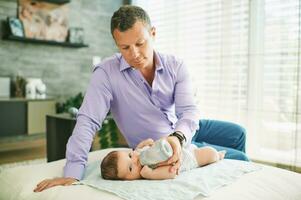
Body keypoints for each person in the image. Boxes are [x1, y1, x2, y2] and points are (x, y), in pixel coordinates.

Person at [34, 5, 248, 192]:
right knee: (239, 159)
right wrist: (73, 172)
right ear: (116, 44)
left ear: (153, 33)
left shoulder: (176, 65)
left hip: (184, 129)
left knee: (238, 133)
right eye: (125, 48)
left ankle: (234, 188)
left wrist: (179, 136)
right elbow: (88, 120)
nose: (134, 54)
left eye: (140, 43)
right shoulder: (106, 73)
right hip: (159, 145)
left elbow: (189, 112)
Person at [101, 138, 226, 180]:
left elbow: (149, 143)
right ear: (127, 180)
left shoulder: (138, 154)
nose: (134, 160)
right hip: (190, 158)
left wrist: (144, 144)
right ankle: (218, 156)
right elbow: (171, 174)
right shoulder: (147, 171)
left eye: (129, 155)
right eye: (130, 168)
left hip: (179, 146)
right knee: (210, 153)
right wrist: (151, 174)